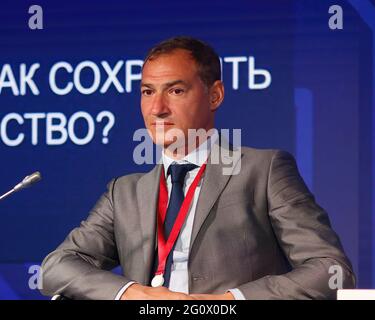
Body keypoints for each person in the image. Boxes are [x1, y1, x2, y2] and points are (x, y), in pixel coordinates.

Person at [40, 36, 355, 300]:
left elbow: (330, 269)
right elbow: (57, 266)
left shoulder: (263, 170)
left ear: (214, 95)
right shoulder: (124, 192)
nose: (157, 108)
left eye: (175, 91)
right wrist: (133, 293)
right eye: (147, 91)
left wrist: (228, 302)